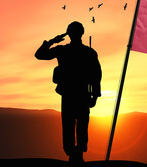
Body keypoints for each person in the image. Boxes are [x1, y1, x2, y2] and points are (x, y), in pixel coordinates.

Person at [35, 21, 102, 164]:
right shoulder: (89, 52)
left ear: (69, 34)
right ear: (81, 33)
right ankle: (77, 153)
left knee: (70, 126)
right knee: (80, 126)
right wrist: (95, 96)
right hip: (81, 95)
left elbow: (39, 54)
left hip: (70, 95)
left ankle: (74, 154)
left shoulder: (62, 50)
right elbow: (97, 76)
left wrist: (53, 41)